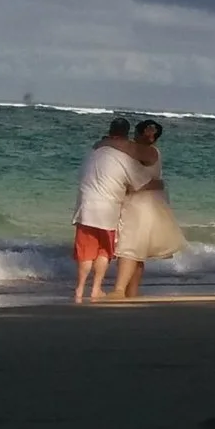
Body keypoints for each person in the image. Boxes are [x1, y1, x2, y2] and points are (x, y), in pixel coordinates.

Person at [109, 118, 186, 299]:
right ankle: (132, 291)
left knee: (129, 248)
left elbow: (127, 150)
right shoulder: (147, 152)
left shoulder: (148, 151)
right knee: (137, 251)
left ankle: (120, 290)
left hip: (140, 206)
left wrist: (106, 143)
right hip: (146, 204)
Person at [71, 117, 142, 303]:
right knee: (104, 251)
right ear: (127, 135)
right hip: (108, 211)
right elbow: (137, 184)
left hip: (85, 208)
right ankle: (96, 289)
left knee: (85, 252)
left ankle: (79, 289)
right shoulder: (124, 157)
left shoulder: (93, 151)